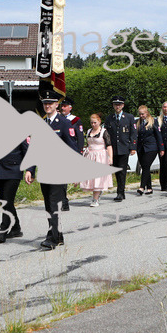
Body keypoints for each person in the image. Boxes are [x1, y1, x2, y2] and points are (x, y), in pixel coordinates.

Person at [25, 91, 78, 249]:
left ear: (56, 105)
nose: (47, 106)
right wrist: (30, 170)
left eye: (50, 103)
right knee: (49, 204)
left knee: (54, 204)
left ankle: (53, 238)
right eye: (45, 103)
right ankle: (58, 236)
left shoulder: (64, 123)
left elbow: (72, 148)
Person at [0, 136, 30, 243]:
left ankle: (3, 231)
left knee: (6, 201)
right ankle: (16, 227)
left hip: (13, 171)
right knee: (6, 202)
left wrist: (29, 170)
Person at [104, 96, 136, 201]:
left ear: (122, 105)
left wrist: (133, 147)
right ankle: (120, 191)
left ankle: (120, 192)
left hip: (124, 147)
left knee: (122, 170)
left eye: (119, 105)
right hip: (113, 148)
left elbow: (133, 133)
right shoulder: (109, 118)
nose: (117, 106)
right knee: (117, 170)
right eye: (115, 105)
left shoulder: (129, 117)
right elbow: (106, 134)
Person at [79, 113, 113, 207]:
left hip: (100, 156)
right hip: (90, 156)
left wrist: (110, 158)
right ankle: (97, 194)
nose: (93, 124)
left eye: (95, 122)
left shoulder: (104, 132)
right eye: (92, 123)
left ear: (99, 122)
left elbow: (109, 145)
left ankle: (95, 199)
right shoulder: (89, 131)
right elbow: (87, 144)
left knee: (98, 178)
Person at [133, 105, 163, 195]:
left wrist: (161, 148)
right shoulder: (137, 122)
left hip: (151, 147)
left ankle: (142, 187)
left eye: (143, 114)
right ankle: (149, 188)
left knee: (146, 166)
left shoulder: (153, 121)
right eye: (140, 114)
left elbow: (158, 135)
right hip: (141, 148)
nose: (141, 116)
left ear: (147, 113)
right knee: (145, 167)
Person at [59, 98, 82, 211]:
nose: (62, 108)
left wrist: (79, 152)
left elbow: (80, 138)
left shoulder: (75, 120)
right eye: (62, 106)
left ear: (70, 107)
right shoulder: (57, 119)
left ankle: (64, 201)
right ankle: (62, 200)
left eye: (65, 106)